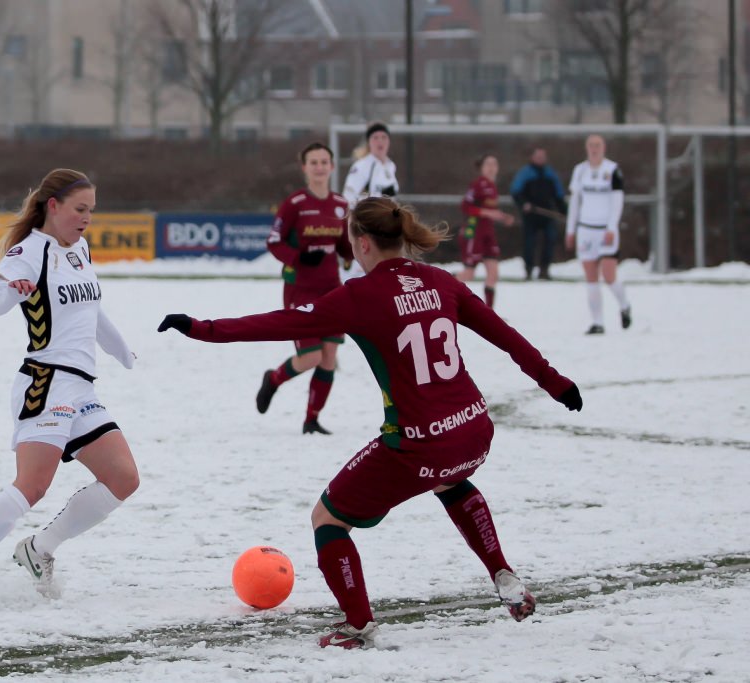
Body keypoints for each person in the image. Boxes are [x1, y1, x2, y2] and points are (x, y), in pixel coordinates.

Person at [158, 196, 582, 649]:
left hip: (419, 444)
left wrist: (200, 327)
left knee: (328, 518)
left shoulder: (359, 296)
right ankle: (502, 572)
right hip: (474, 430)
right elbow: (506, 335)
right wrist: (555, 383)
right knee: (449, 479)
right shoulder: (442, 280)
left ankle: (357, 626)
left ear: (362, 243)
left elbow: (280, 323)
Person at [0, 169, 139, 607]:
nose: (87, 219)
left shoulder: (79, 249)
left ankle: (39, 549)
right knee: (31, 487)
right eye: (80, 210)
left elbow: (91, 312)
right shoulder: (29, 252)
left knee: (122, 478)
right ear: (54, 206)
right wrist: (13, 289)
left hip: (81, 389)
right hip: (46, 384)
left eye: (91, 211)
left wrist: (124, 352)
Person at [259, 142, 352, 435]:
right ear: (305, 167)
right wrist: (298, 257)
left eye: (324, 162)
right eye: (314, 162)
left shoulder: (341, 205)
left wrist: (352, 256)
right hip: (300, 290)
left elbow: (345, 244)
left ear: (333, 166)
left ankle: (311, 419)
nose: (320, 167)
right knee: (311, 356)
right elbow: (274, 241)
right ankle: (273, 379)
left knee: (329, 356)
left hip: (332, 290)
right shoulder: (295, 203)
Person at [565, 134, 631, 335]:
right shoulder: (580, 170)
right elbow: (575, 202)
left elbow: (617, 201)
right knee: (591, 277)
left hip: (605, 230)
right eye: (591, 145)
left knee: (609, 276)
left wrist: (612, 227)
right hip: (586, 230)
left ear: (604, 148)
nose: (594, 149)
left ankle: (624, 305)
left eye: (598, 145)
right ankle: (598, 322)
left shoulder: (612, 170)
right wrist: (571, 229)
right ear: (586, 148)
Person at [340, 121, 398, 281]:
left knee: (384, 272)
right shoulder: (363, 166)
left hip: (386, 228)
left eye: (384, 137)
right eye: (375, 137)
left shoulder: (390, 166)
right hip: (367, 228)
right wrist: (356, 226)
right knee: (361, 273)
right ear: (369, 142)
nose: (380, 141)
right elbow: (348, 198)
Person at [458, 154, 514, 309]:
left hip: (488, 233)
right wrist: (488, 213)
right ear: (481, 168)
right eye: (488, 164)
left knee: (493, 273)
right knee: (469, 274)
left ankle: (489, 312)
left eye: (494, 164)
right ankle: (441, 284)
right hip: (474, 231)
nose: (491, 167)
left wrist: (502, 217)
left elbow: (490, 211)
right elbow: (466, 207)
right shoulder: (477, 185)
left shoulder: (492, 186)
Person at [509, 147, 568, 281]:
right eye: (538, 156)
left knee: (550, 240)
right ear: (532, 157)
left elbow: (558, 195)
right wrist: (524, 203)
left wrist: (564, 211)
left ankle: (544, 269)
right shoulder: (525, 173)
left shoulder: (550, 173)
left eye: (543, 156)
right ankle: (529, 269)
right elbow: (516, 191)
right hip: (530, 215)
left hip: (547, 214)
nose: (540, 158)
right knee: (529, 243)